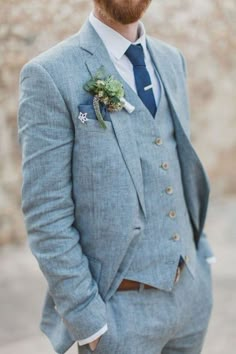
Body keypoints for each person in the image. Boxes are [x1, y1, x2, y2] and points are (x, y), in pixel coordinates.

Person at [17, 0, 216, 353]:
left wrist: (202, 258)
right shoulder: (48, 74)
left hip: (190, 301)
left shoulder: (172, 60)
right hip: (117, 318)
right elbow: (46, 210)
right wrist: (87, 320)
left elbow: (179, 165)